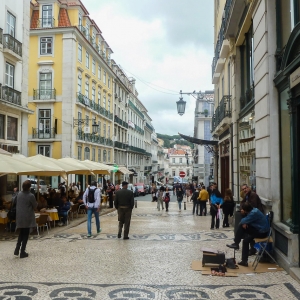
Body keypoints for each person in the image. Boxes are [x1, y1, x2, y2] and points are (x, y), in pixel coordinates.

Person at [227, 202, 269, 266]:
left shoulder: (253, 213)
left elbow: (242, 221)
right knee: (245, 241)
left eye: (243, 209)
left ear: (246, 210)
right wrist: (246, 222)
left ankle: (236, 243)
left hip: (262, 233)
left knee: (242, 226)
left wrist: (245, 221)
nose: (241, 210)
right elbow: (247, 220)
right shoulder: (254, 210)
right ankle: (244, 261)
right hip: (259, 230)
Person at [14, 180, 37, 258]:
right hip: (27, 217)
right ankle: (22, 251)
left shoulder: (19, 194)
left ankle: (17, 249)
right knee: (26, 234)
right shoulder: (31, 196)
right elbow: (35, 205)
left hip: (19, 216)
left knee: (21, 233)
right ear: (29, 187)